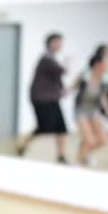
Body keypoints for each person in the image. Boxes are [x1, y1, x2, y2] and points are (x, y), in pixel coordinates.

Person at [17, 33, 70, 163]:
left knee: (61, 127)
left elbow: (56, 79)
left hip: (51, 98)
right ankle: (23, 146)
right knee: (43, 127)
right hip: (41, 99)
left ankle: (61, 155)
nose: (59, 45)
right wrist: (67, 63)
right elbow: (61, 71)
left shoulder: (51, 58)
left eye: (60, 42)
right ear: (50, 43)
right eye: (57, 42)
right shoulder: (46, 59)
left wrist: (61, 90)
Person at [70, 53, 108, 165]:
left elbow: (103, 97)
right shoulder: (85, 76)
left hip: (94, 111)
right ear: (97, 64)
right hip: (81, 111)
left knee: (103, 140)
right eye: (106, 63)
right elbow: (71, 88)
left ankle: (84, 156)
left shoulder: (105, 80)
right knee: (90, 141)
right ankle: (78, 162)